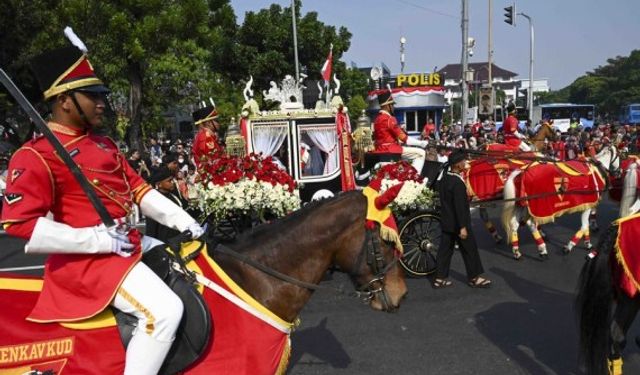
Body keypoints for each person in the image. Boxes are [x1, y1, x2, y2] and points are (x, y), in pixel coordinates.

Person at [0, 38, 204, 374]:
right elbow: (21, 224)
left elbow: (138, 190)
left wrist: (186, 222)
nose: (102, 103)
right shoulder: (35, 154)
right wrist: (98, 240)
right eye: (92, 95)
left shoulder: (104, 144)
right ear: (64, 100)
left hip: (126, 246)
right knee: (163, 312)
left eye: (101, 95)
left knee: (194, 268)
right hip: (86, 263)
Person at [432, 149, 491, 288]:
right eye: (464, 161)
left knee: (445, 250)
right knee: (470, 250)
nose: (465, 162)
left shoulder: (445, 178)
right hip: (459, 224)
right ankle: (475, 277)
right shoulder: (457, 183)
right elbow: (459, 207)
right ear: (458, 165)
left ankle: (439, 278)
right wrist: (463, 227)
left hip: (447, 221)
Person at [373, 90, 428, 172]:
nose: (393, 107)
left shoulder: (377, 120)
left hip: (381, 150)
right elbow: (404, 138)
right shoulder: (389, 119)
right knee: (421, 153)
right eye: (392, 105)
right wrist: (421, 143)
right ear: (388, 106)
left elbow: (386, 137)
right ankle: (413, 177)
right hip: (391, 150)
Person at [145, 166, 188, 242]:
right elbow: (151, 229)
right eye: (169, 181)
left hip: (178, 240)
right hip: (164, 242)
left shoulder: (173, 196)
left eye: (173, 180)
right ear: (159, 184)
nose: (173, 183)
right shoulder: (154, 200)